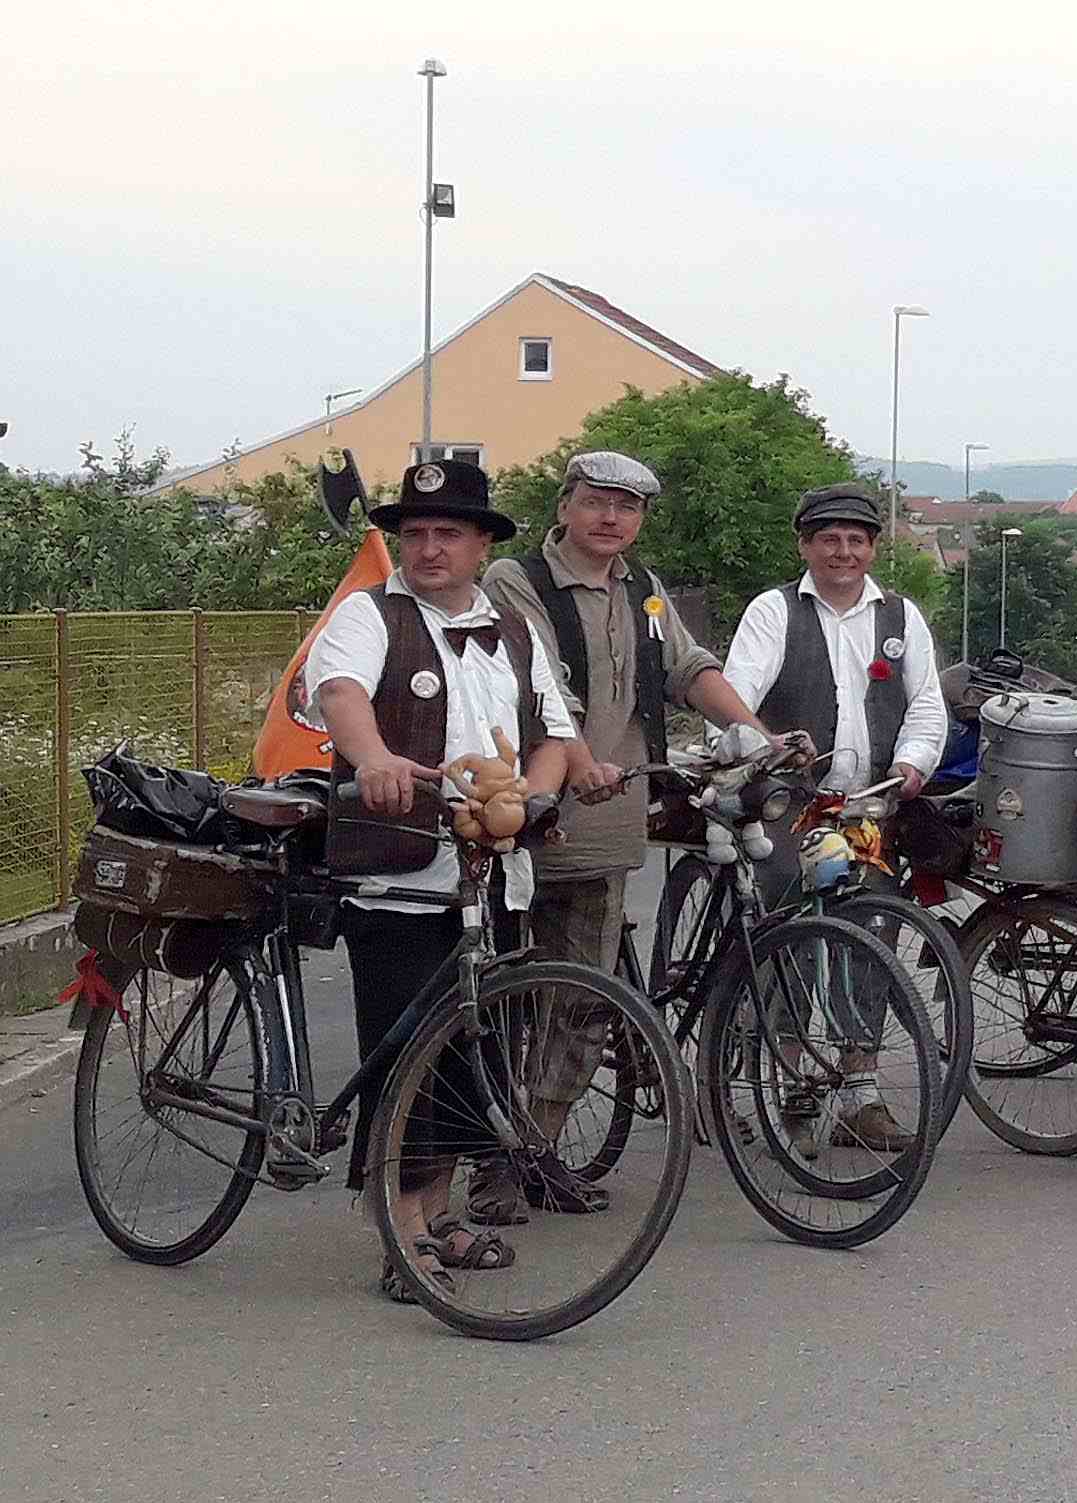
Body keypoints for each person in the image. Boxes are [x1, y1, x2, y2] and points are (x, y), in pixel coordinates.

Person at [295, 455, 577, 1299]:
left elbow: (553, 736)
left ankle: (441, 1209)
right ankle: (401, 1227)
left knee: (469, 1051)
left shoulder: (513, 629)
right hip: (400, 875)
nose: (428, 547)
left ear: (481, 543)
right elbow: (339, 691)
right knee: (404, 1049)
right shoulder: (370, 614)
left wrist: (534, 795)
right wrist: (374, 757)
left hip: (490, 876)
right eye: (414, 532)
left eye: (447, 532)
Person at [481, 450, 770, 1216]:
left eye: (628, 506)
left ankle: (531, 1155)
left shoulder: (642, 589)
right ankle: (475, 1159)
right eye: (597, 500)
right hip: (514, 819)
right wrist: (578, 762)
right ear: (565, 505)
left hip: (605, 828)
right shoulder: (516, 579)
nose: (611, 517)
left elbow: (688, 667)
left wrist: (756, 733)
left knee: (581, 1005)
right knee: (496, 1002)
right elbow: (543, 684)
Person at [719, 480, 950, 1152]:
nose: (843, 551)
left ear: (873, 548)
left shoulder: (900, 616)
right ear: (805, 545)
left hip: (867, 807)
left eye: (855, 539)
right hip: (789, 805)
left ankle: (859, 1094)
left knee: (870, 939)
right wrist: (764, 747)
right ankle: (793, 1079)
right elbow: (737, 696)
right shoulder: (774, 611)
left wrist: (912, 762)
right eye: (828, 538)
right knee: (788, 935)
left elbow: (926, 704)